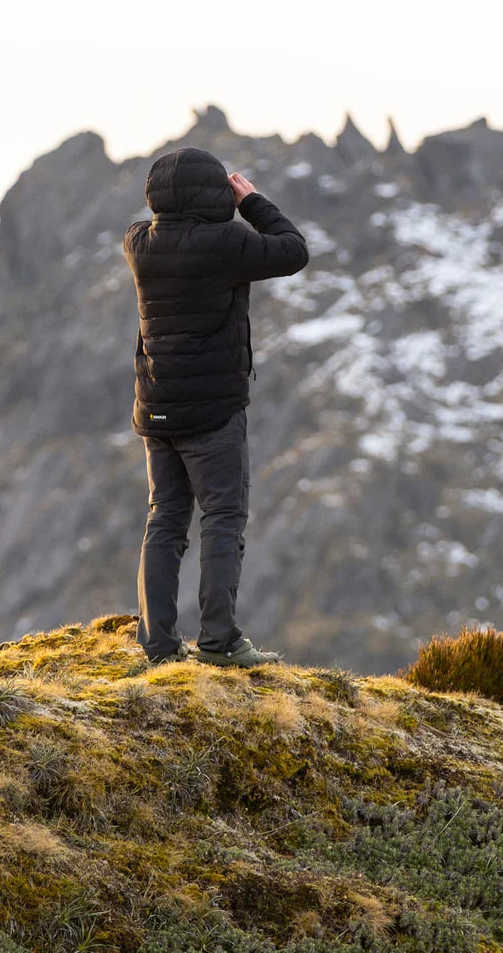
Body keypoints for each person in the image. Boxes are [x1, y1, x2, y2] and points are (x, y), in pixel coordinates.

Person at [122, 146, 309, 667]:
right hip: (214, 413)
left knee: (165, 521)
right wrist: (251, 202)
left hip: (157, 408)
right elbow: (292, 250)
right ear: (217, 193)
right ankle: (218, 641)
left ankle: (158, 646)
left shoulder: (138, 243)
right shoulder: (227, 243)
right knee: (222, 519)